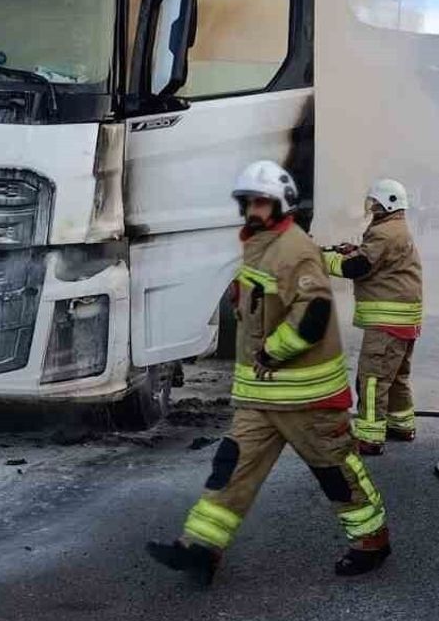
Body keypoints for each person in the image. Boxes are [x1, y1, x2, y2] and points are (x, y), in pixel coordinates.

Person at [146, 160, 391, 585]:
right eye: (247, 202)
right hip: (260, 397)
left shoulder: (295, 249)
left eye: (261, 202)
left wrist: (271, 352)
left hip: (307, 399)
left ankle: (372, 541)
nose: (253, 210)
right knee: (231, 470)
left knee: (336, 473)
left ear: (282, 204)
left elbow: (312, 313)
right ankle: (201, 548)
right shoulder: (258, 245)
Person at [324, 179, 424, 456]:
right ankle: (402, 425)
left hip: (387, 322)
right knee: (396, 377)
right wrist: (354, 249)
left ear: (389, 203)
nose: (372, 207)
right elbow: (374, 258)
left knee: (372, 380)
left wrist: (319, 260)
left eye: (375, 203)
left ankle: (370, 437)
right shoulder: (395, 229)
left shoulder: (385, 233)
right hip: (403, 320)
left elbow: (357, 267)